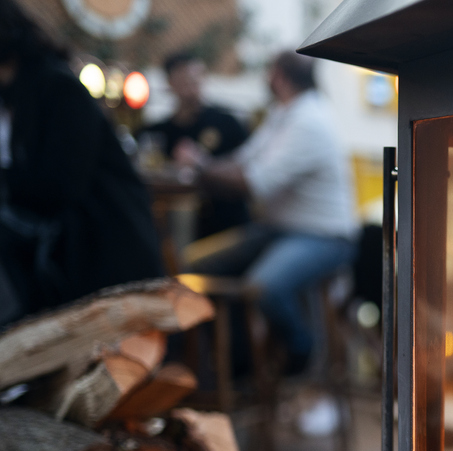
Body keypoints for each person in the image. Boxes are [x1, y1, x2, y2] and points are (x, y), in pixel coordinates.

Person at [178, 51, 357, 374]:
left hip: (325, 236)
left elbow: (252, 182)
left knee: (266, 287)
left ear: (279, 77)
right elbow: (243, 160)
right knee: (194, 265)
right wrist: (206, 166)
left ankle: (303, 356)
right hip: (278, 229)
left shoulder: (310, 120)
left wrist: (200, 165)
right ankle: (223, 367)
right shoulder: (284, 114)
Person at [0, 0, 162, 325]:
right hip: (66, 262)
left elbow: (61, 184)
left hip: (104, 257)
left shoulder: (58, 88)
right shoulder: (18, 94)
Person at [143, 51, 249, 238]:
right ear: (170, 83)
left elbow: (246, 169)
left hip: (222, 223)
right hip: (166, 221)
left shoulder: (227, 123)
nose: (192, 86)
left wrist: (200, 162)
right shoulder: (157, 132)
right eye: (184, 79)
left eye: (196, 78)